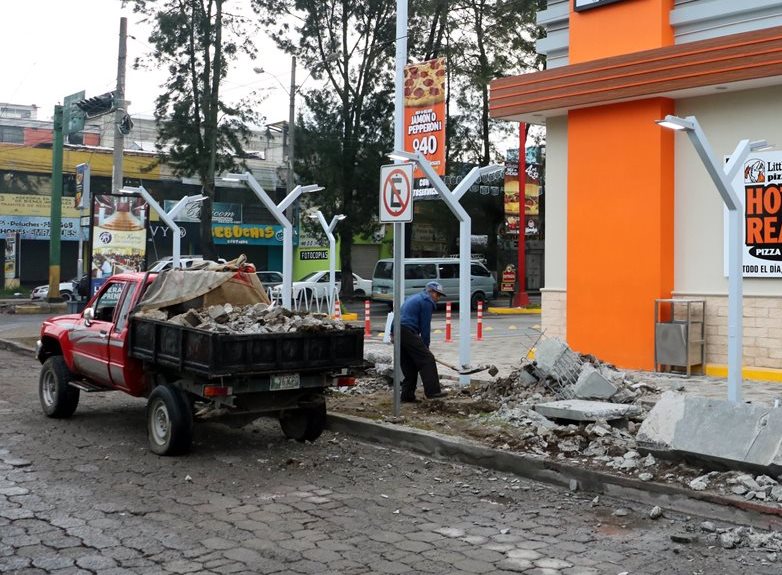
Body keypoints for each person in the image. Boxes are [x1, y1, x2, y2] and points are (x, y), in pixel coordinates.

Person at [397, 281, 449, 402]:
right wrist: (426, 348)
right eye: (437, 295)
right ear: (430, 291)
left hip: (399, 331)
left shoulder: (414, 298)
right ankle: (433, 392)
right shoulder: (426, 301)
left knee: (410, 364)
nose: (438, 298)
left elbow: (398, 314)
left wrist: (392, 332)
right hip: (407, 331)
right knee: (427, 359)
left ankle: (407, 396)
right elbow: (425, 328)